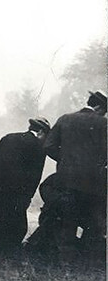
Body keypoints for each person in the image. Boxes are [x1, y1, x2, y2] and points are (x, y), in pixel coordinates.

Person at [43, 90, 107, 263]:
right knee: (94, 221)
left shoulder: (65, 119)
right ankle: (89, 261)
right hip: (95, 183)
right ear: (100, 107)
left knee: (67, 220)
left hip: (66, 180)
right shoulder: (104, 123)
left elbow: (48, 146)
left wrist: (64, 161)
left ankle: (66, 262)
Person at [0, 117, 50, 256]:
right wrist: (28, 196)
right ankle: (11, 253)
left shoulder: (9, 137)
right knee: (18, 225)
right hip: (17, 192)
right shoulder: (39, 147)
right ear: (41, 132)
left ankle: (2, 252)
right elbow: (35, 175)